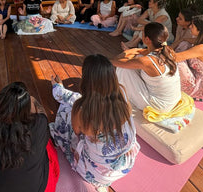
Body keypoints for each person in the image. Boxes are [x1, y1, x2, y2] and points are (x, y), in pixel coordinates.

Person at [50, 55, 139, 191]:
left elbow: (76, 133)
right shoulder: (121, 91)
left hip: (95, 174)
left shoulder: (81, 109)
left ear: (86, 80)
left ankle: (58, 90)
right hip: (125, 165)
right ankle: (60, 91)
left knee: (64, 121)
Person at [0, 82, 59, 192]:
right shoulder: (39, 124)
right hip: (35, 188)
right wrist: (31, 99)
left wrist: (3, 104)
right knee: (46, 145)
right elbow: (41, 112)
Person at [112, 22, 181, 113]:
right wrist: (135, 50)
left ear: (147, 39)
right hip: (171, 100)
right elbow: (143, 52)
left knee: (123, 69)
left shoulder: (147, 61)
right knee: (135, 60)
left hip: (159, 106)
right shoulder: (168, 51)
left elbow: (115, 62)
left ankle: (122, 98)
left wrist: (129, 52)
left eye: (142, 34)